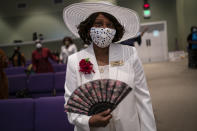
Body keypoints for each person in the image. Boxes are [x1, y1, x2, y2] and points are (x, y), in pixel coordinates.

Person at [63, 2, 156, 131]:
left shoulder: (130, 54)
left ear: (115, 30)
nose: (104, 29)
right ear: (89, 29)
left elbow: (143, 99)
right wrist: (88, 121)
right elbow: (71, 104)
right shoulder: (75, 60)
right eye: (99, 24)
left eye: (109, 25)